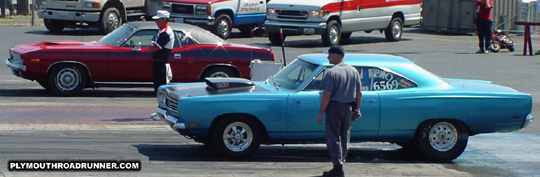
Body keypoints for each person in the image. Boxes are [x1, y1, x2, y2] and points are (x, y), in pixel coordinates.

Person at [317, 45, 362, 177]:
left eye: (329, 54)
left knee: (333, 137)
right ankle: (342, 160)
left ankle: (337, 166)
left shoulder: (332, 73)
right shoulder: (353, 71)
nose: (327, 57)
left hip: (334, 108)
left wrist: (320, 113)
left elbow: (326, 95)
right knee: (345, 136)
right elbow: (359, 93)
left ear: (337, 56)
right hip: (348, 107)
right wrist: (357, 108)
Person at [148, 10, 174, 92]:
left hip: (162, 63)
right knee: (157, 86)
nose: (156, 22)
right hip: (158, 63)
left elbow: (154, 48)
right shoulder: (161, 31)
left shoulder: (165, 32)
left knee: (161, 88)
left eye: (158, 20)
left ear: (164, 19)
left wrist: (151, 46)